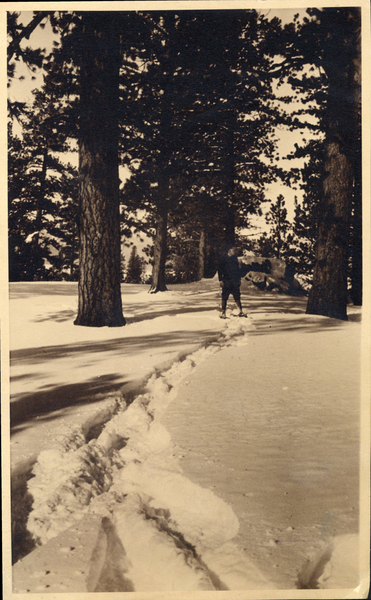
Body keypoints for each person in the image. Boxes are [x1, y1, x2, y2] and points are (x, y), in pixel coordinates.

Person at [217, 246, 247, 318]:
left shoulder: (235, 258)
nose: (235, 251)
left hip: (235, 281)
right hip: (226, 281)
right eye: (233, 250)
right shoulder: (223, 259)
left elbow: (237, 270)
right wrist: (221, 280)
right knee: (224, 297)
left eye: (235, 250)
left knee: (237, 296)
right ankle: (223, 312)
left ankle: (240, 311)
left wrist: (239, 279)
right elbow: (220, 270)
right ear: (229, 251)